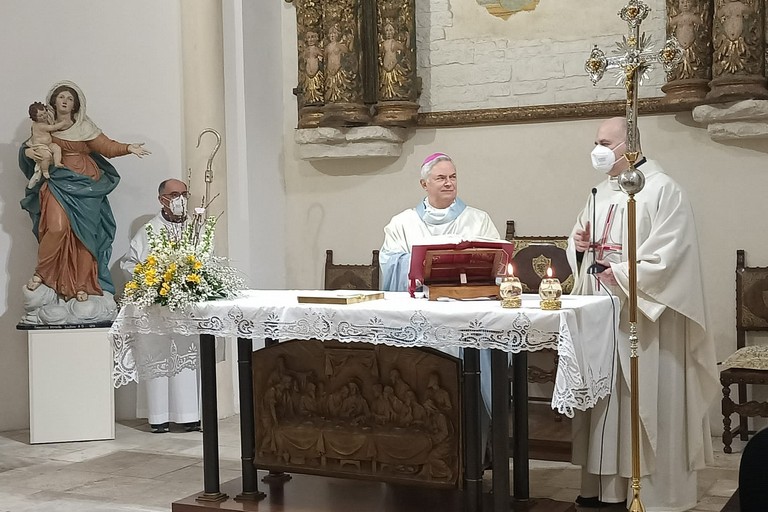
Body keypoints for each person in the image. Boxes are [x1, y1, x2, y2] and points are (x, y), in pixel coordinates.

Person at [565, 117, 718, 511]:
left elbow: (671, 259)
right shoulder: (600, 192)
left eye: (604, 142)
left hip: (648, 322)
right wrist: (580, 247)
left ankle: (652, 493)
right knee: (604, 400)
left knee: (644, 400)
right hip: (601, 315)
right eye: (595, 141)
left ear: (628, 145)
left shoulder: (664, 191)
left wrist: (619, 273)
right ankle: (605, 490)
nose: (597, 149)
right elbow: (582, 244)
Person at [20, 80, 150, 303]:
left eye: (70, 98)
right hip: (57, 181)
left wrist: (129, 148)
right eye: (61, 97)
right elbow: (29, 147)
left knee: (86, 237)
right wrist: (30, 154)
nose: (65, 101)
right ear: (53, 101)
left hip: (87, 185)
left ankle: (83, 284)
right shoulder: (44, 126)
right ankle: (43, 273)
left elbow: (107, 146)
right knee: (56, 227)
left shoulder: (85, 127)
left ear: (76, 105)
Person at [121, 179, 201, 433]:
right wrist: (152, 280)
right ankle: (158, 417)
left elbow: (208, 263)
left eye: (184, 194)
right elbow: (129, 265)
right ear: (162, 199)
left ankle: (190, 415)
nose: (180, 199)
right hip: (156, 310)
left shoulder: (197, 230)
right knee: (158, 360)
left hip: (187, 310)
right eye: (174, 194)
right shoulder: (149, 230)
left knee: (187, 361)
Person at [380, 152, 501, 292]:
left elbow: (495, 262)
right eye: (441, 178)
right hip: (417, 304)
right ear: (424, 184)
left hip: (467, 300)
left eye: (453, 177)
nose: (449, 183)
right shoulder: (402, 223)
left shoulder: (479, 219)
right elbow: (389, 262)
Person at [25, 102, 67, 189]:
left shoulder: (48, 119)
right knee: (46, 157)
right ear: (34, 118)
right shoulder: (40, 125)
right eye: (40, 116)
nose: (44, 116)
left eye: (45, 113)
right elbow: (53, 128)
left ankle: (57, 162)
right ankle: (45, 171)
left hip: (49, 144)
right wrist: (63, 123)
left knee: (57, 148)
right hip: (40, 146)